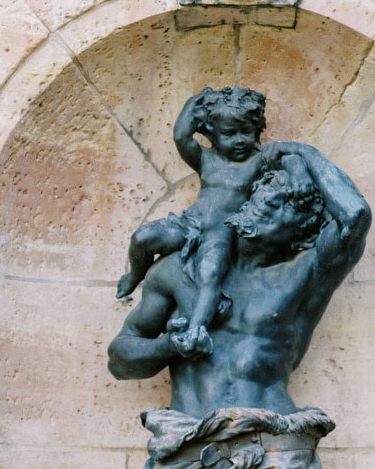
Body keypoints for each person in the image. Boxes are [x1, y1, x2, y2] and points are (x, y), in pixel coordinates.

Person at [108, 124, 371, 469]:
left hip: (274, 450)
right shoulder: (179, 272)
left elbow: (354, 216)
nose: (263, 204)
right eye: (262, 195)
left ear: (302, 227)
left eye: (282, 204)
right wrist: (171, 348)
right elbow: (121, 358)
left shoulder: (301, 276)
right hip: (189, 446)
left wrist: (299, 149)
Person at [115, 85, 270, 359]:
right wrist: (196, 102)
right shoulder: (207, 159)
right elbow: (181, 136)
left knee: (209, 275)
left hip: (222, 233)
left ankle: (197, 328)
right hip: (191, 223)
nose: (239, 140)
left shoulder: (259, 163)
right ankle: (135, 274)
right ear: (212, 134)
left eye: (246, 132)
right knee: (142, 237)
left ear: (257, 131)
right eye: (229, 134)